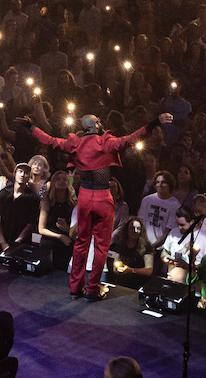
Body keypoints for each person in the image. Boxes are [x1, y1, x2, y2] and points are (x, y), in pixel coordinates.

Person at [22, 112, 170, 299]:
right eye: (98, 121)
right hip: (102, 198)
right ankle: (92, 289)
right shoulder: (107, 142)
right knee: (101, 246)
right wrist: (155, 122)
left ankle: (75, 287)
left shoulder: (75, 143)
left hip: (84, 197)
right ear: (96, 125)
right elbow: (133, 138)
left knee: (81, 244)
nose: (101, 122)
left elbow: (50, 140)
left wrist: (31, 127)